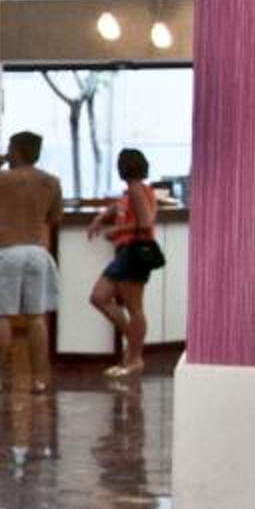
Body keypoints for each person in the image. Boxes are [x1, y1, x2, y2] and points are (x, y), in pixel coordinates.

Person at [0, 131, 65, 397]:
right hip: (37, 252)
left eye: (10, 147)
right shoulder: (51, 182)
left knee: (2, 316)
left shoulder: (2, 178)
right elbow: (55, 218)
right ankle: (38, 381)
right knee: (36, 317)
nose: (7, 152)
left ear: (18, 151)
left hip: (8, 252)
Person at [88, 147, 166, 378]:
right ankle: (132, 342)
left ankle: (134, 359)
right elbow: (120, 206)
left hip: (134, 251)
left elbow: (146, 222)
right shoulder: (135, 189)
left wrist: (117, 230)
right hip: (126, 253)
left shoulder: (136, 189)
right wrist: (101, 217)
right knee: (99, 297)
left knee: (134, 309)